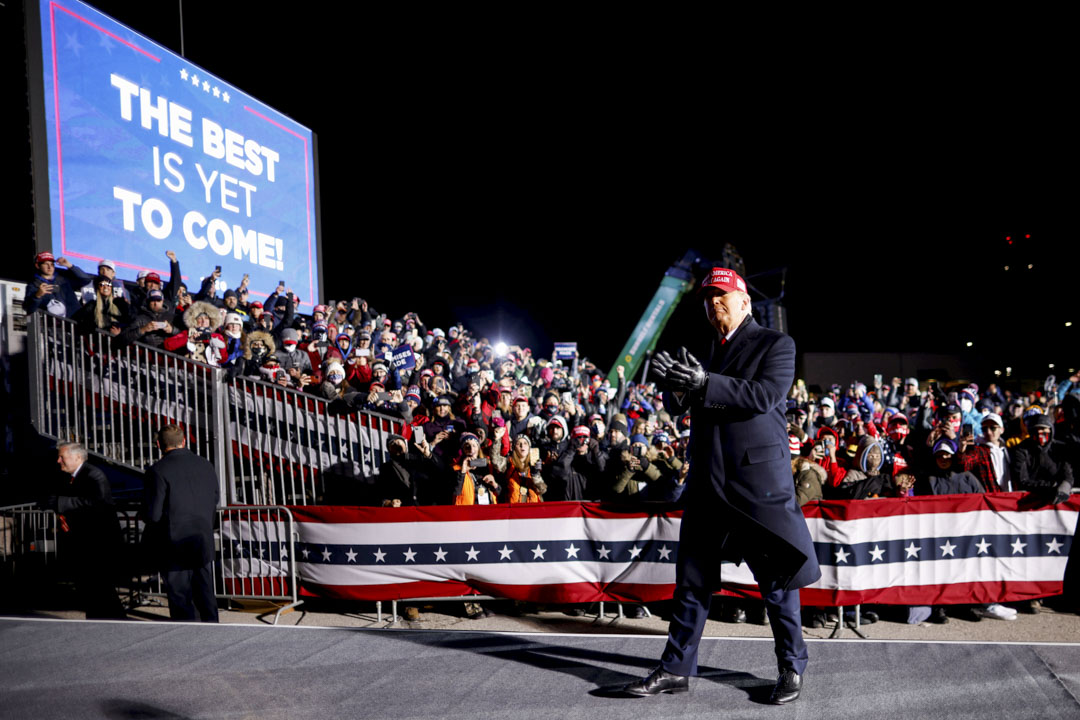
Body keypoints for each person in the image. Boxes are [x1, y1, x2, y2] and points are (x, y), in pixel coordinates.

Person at [625, 267, 820, 705]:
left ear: (745, 301)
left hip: (757, 487)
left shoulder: (777, 344)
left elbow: (763, 395)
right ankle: (675, 669)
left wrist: (704, 382)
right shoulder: (707, 352)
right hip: (708, 485)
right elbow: (693, 404)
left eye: (723, 297)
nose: (714, 304)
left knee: (777, 583)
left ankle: (792, 666)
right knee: (692, 583)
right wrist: (678, 388)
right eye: (709, 299)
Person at [141, 425, 220, 622]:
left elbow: (154, 513)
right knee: (205, 592)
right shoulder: (205, 464)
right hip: (202, 538)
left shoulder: (158, 471)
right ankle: (215, 630)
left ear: (158, 444)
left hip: (173, 543)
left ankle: (186, 635)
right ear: (184, 441)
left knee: (180, 598)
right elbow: (215, 498)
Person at [51, 442, 126, 619]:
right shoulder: (72, 476)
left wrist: (62, 503)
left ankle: (114, 621)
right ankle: (99, 621)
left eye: (62, 457)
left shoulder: (93, 475)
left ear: (77, 457)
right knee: (91, 590)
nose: (58, 460)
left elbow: (97, 503)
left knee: (100, 589)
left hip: (98, 545)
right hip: (84, 544)